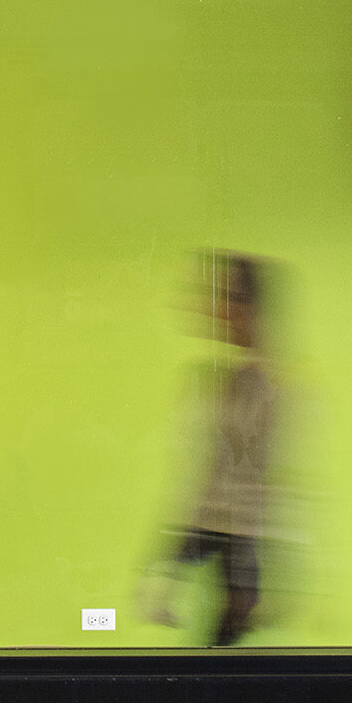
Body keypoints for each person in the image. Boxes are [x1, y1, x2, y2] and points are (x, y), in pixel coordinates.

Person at [144, 252, 276, 649]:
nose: (217, 310)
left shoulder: (266, 386)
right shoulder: (220, 380)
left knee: (225, 649)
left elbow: (246, 479)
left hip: (242, 532)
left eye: (229, 298)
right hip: (226, 527)